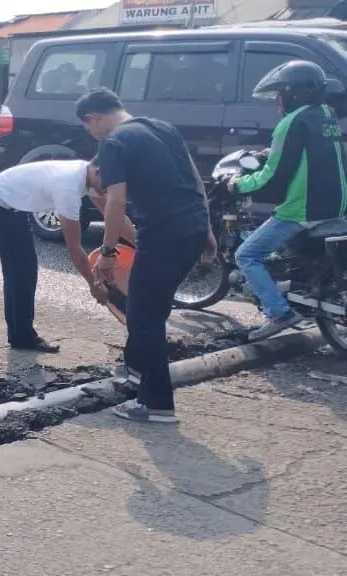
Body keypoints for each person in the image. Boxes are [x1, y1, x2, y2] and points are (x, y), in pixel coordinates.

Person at [79, 87, 217, 424]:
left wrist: (108, 252)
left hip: (163, 234)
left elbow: (115, 201)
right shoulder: (161, 127)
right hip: (192, 227)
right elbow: (196, 180)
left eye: (87, 126)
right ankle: (138, 371)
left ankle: (156, 405)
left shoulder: (112, 144)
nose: (90, 132)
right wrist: (208, 228)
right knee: (151, 307)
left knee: (144, 317)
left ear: (94, 118)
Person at [0, 159, 135, 355]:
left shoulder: (90, 178)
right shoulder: (69, 186)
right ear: (97, 171)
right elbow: (74, 248)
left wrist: (141, 245)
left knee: (24, 273)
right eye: (109, 185)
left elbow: (115, 216)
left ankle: (22, 336)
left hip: (16, 210)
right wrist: (94, 285)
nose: (109, 191)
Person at [227, 60, 347, 342]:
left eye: (280, 95)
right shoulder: (325, 114)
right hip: (336, 205)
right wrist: (270, 151)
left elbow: (273, 175)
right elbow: (310, 149)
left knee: (246, 254)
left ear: (295, 93)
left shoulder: (291, 122)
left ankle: (279, 312)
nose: (277, 102)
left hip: (304, 208)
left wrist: (239, 185)